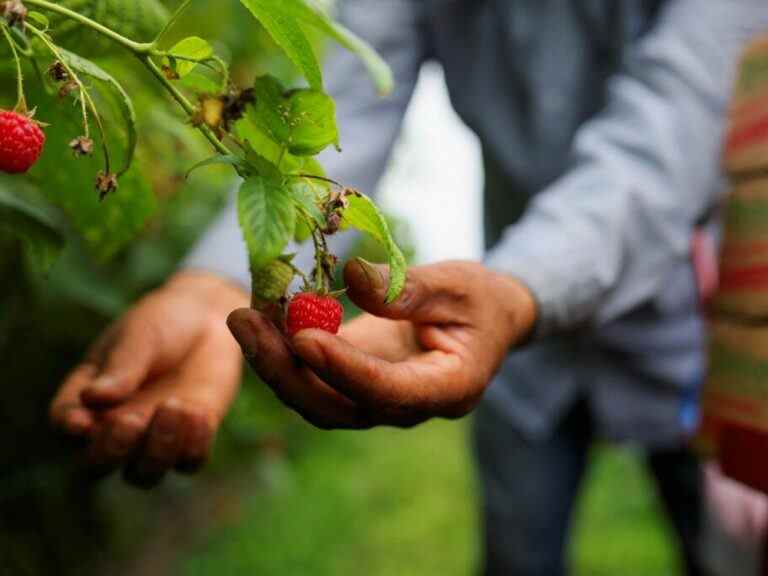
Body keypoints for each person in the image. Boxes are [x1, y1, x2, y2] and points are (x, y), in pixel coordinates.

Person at [50, 1, 768, 574]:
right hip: (507, 344)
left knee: (718, 548)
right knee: (519, 553)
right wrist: (213, 288)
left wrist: (519, 290)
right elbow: (345, 104)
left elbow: (667, 139)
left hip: (683, 329)